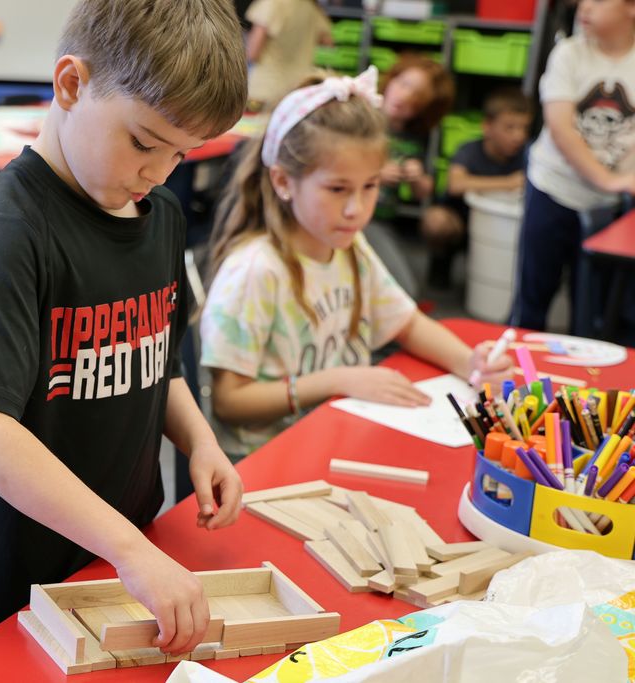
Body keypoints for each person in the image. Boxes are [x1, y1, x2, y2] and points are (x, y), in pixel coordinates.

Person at [0, 0, 248, 664]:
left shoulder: (161, 215)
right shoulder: (10, 227)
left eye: (181, 153)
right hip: (10, 580)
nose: (159, 173)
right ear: (71, 84)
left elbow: (157, 360)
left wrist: (200, 440)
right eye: (144, 143)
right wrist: (129, 549)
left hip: (115, 561)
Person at [199, 68, 512, 461]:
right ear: (283, 182)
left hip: (337, 436)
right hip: (269, 462)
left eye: (371, 186)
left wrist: (471, 364)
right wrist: (337, 380)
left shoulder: (349, 247)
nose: (356, 209)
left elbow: (407, 324)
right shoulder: (255, 270)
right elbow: (230, 401)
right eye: (337, 189)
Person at [511, 0, 635, 332]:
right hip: (553, 189)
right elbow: (561, 129)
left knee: (592, 311)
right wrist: (609, 180)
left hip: (608, 208)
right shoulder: (569, 53)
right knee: (532, 299)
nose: (585, 7)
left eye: (598, 0)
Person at [421, 88, 533, 288]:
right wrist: (509, 183)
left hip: (506, 231)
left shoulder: (528, 154)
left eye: (524, 128)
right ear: (487, 126)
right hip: (463, 224)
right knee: (436, 220)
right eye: (510, 128)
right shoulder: (469, 150)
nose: (518, 136)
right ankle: (440, 266)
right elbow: (455, 184)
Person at [376, 53, 454, 221]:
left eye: (417, 96)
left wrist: (417, 178)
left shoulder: (416, 139)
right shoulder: (361, 120)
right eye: (403, 84)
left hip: (383, 219)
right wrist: (375, 174)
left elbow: (423, 192)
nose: (404, 96)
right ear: (390, 79)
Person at [245, 0, 333, 109]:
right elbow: (328, 42)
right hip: (297, 93)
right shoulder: (314, 9)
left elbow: (252, 53)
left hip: (265, 90)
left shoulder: (272, 3)